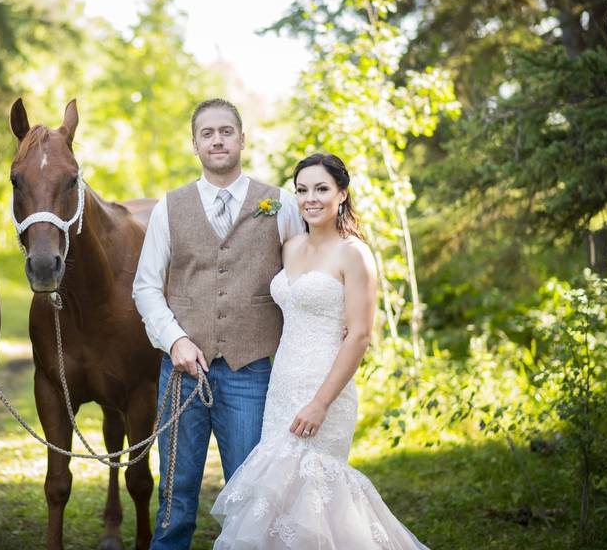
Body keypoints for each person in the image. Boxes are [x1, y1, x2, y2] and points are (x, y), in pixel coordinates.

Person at [210, 152, 429, 549]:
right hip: (282, 385)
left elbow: (359, 336)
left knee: (316, 491)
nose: (311, 198)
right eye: (302, 190)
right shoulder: (290, 247)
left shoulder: (354, 253)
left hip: (325, 387)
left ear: (342, 193)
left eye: (322, 189)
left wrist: (321, 403)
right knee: (280, 497)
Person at [132, 98, 304, 549]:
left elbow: (303, 279)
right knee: (175, 497)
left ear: (242, 139)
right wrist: (176, 342)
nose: (218, 140)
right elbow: (146, 288)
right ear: (195, 145)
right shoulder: (169, 208)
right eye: (207, 134)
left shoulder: (281, 204)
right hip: (182, 375)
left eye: (226, 131)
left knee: (252, 497)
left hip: (252, 372)